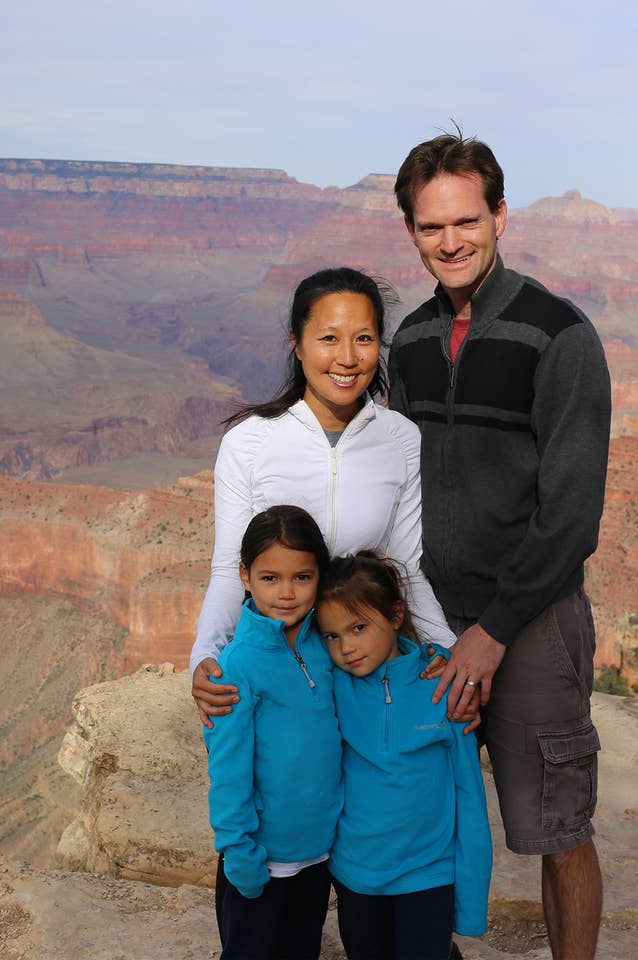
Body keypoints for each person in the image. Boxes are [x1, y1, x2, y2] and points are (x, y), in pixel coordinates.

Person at [387, 130, 612, 960]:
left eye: (466, 221)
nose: (450, 241)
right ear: (411, 231)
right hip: (428, 631)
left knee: (557, 828)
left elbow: (571, 519)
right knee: (423, 824)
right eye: (430, 226)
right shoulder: (407, 341)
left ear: (501, 216)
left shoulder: (560, 338)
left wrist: (493, 632)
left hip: (532, 626)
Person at [190, 266, 458, 726]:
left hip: (365, 665)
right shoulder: (249, 443)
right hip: (278, 670)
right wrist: (205, 653)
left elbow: (406, 567)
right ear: (296, 342)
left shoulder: (400, 440)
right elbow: (229, 568)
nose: (348, 358)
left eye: (365, 339)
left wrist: (445, 650)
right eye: (329, 339)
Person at [317, 552, 492, 960]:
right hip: (356, 877)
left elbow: (469, 793)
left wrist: (470, 901)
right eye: (332, 636)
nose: (347, 647)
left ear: (395, 615)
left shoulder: (443, 686)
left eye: (359, 627)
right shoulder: (333, 687)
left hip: (428, 875)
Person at [204, 504, 342, 960]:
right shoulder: (237, 666)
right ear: (245, 575)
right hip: (258, 863)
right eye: (270, 578)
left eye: (302, 577)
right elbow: (228, 770)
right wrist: (239, 852)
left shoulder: (326, 647)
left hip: (315, 858)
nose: (286, 592)